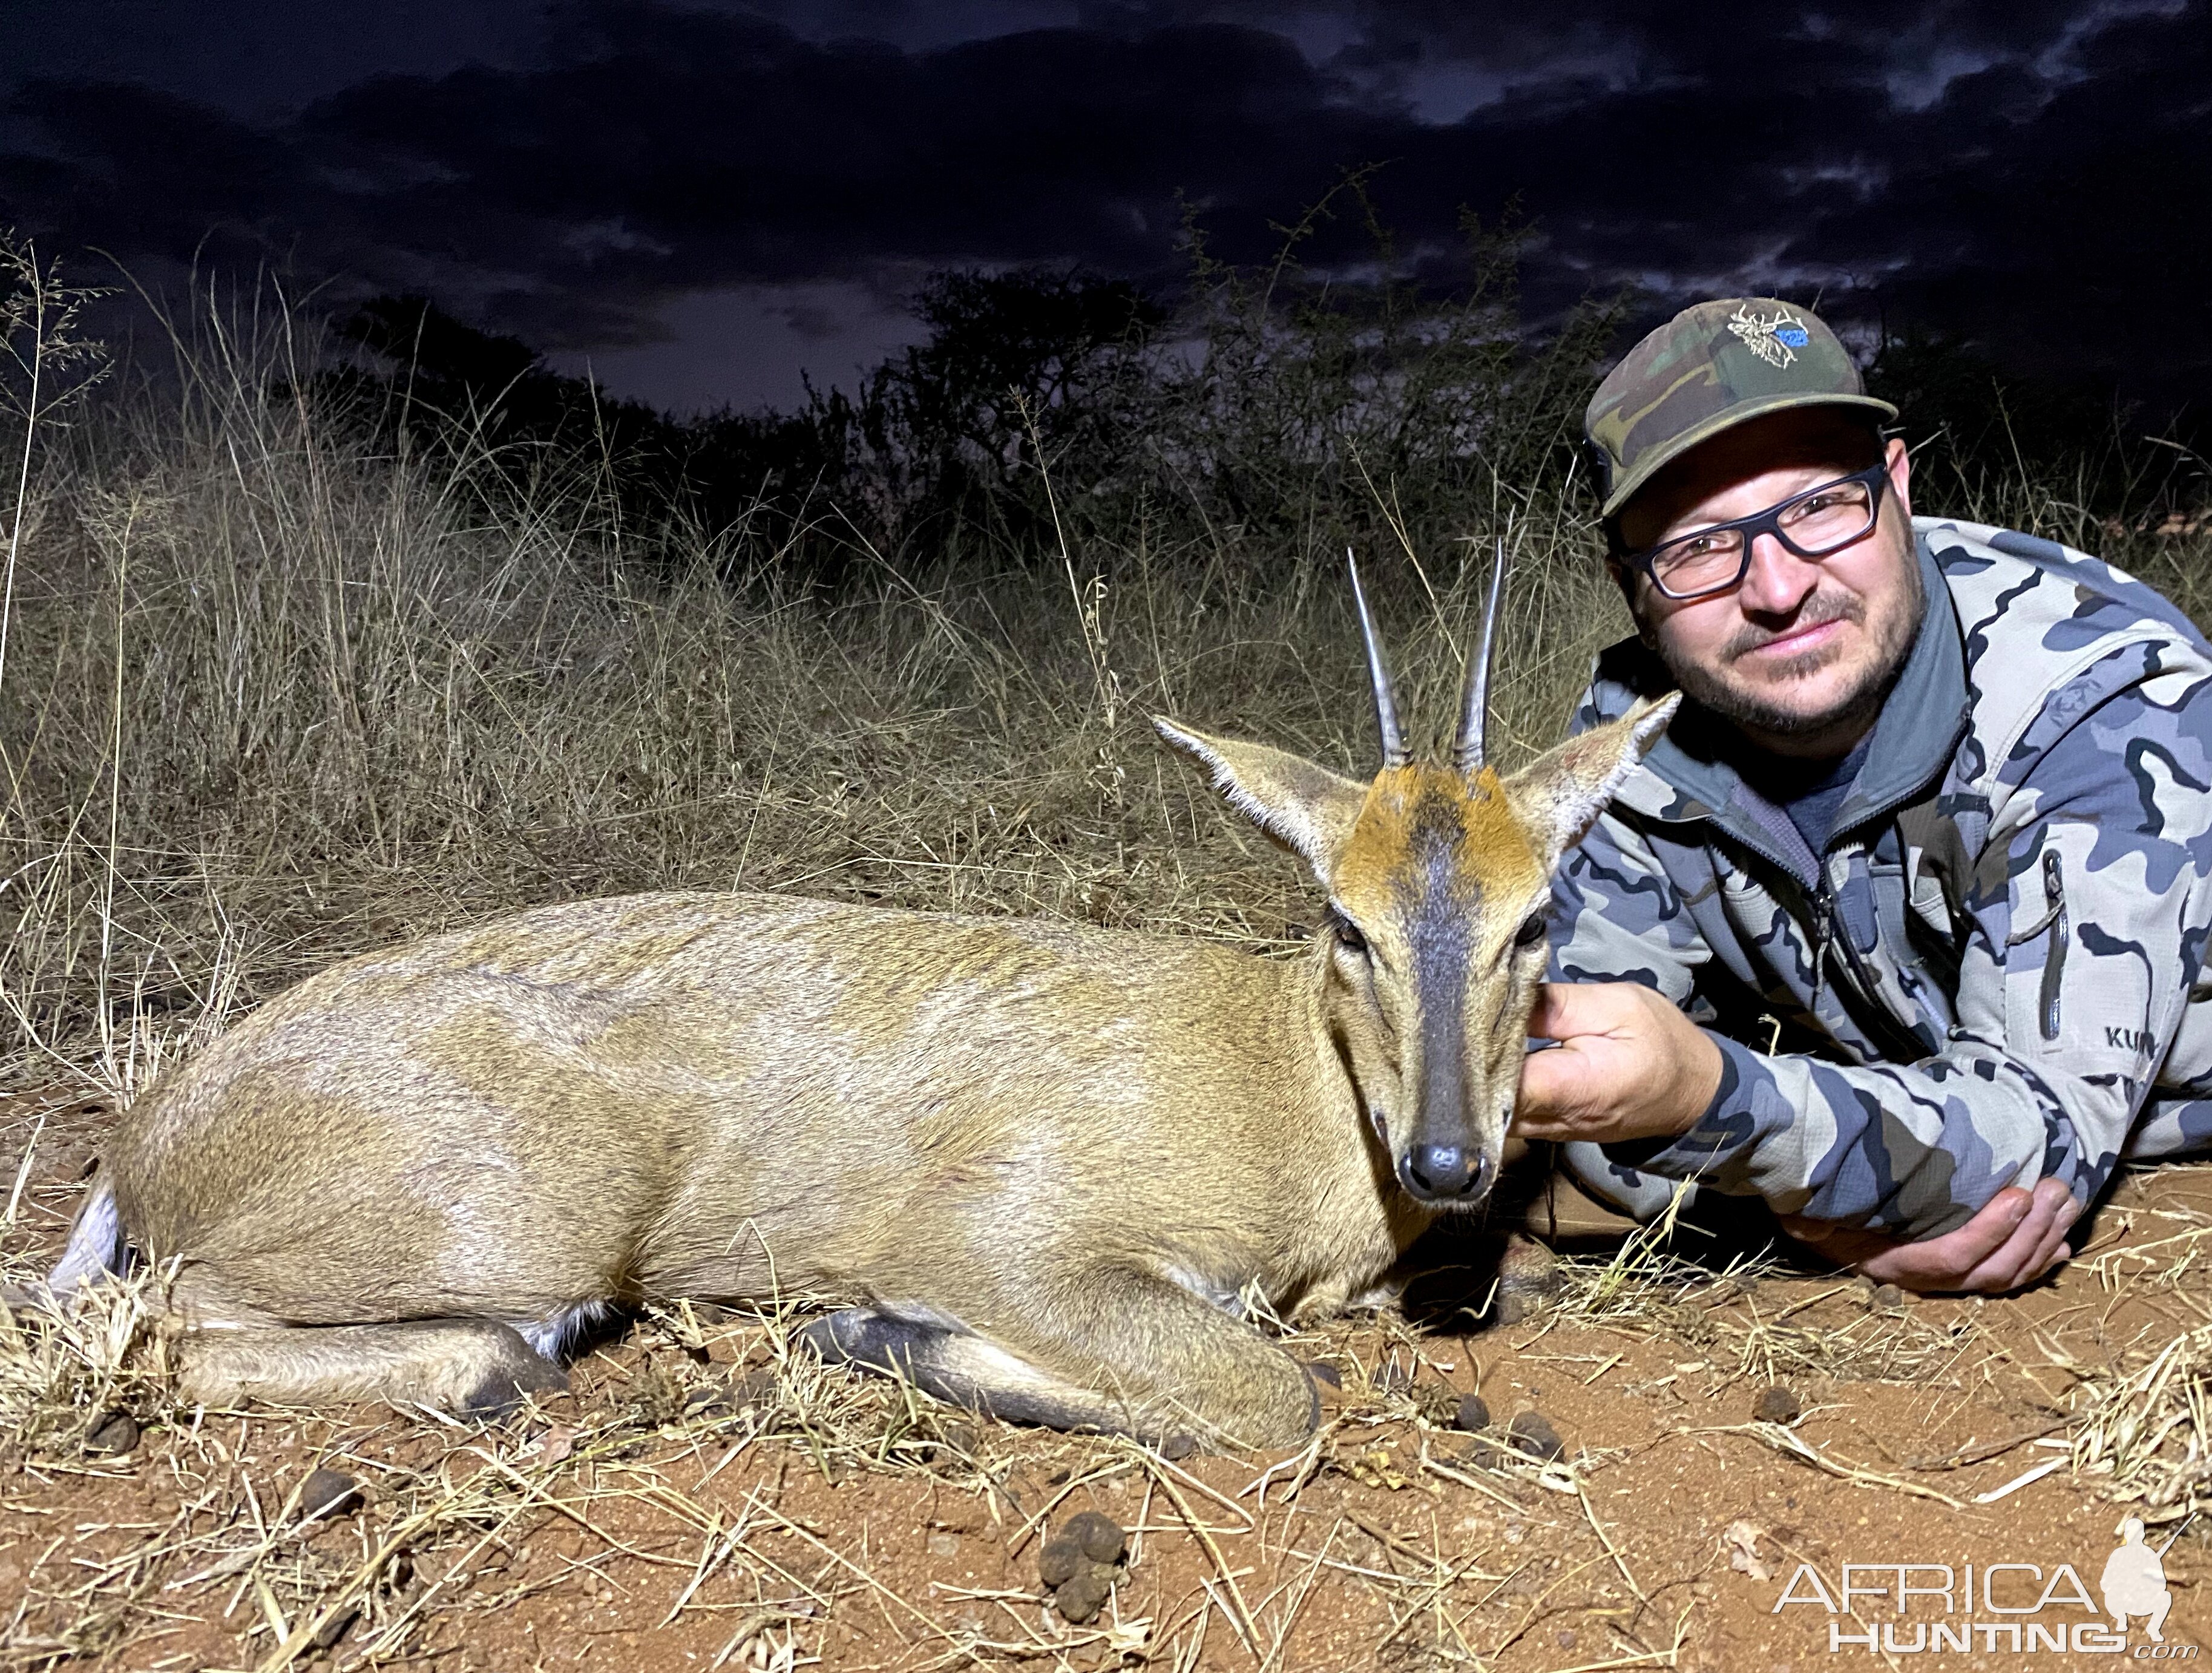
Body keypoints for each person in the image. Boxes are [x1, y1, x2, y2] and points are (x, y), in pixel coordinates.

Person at [1515, 296, 2212, 1294]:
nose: (1776, 586)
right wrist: (1821, 1205)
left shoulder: (2101, 704)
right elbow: (1573, 1091)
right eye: (1699, 545)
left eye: (1816, 505)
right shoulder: (1631, 739)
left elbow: (2031, 1144)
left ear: (1895, 485)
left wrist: (1722, 1104)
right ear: (1632, 584)